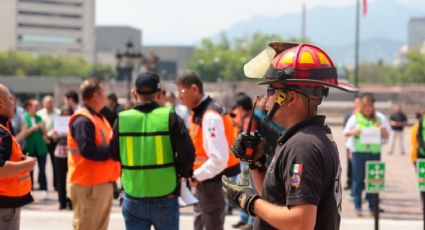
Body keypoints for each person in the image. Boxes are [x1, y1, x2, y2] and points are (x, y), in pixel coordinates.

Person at [222, 42, 359, 230]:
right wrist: (256, 163)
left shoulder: (303, 146)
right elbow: (276, 199)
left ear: (290, 98)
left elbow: (301, 223)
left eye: (271, 90)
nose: (265, 98)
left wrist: (249, 201)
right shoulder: (308, 137)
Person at [110, 72, 195, 230]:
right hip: (166, 193)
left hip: (133, 192)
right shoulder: (170, 116)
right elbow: (187, 153)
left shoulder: (122, 119)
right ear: (160, 93)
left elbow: (114, 153)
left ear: (134, 94)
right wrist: (180, 174)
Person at [175, 70, 240, 230]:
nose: (179, 96)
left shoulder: (210, 115)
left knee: (211, 223)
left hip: (211, 181)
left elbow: (219, 159)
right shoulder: (199, 112)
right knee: (201, 221)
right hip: (206, 179)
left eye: (181, 90)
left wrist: (196, 176)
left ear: (194, 89)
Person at [67, 79, 120, 230]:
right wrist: (115, 152)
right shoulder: (83, 120)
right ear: (96, 95)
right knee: (86, 226)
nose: (105, 96)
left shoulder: (97, 118)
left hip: (99, 184)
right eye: (103, 93)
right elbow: (87, 150)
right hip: (89, 185)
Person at [344, 93, 390, 217]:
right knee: (358, 180)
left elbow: (386, 137)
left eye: (370, 105)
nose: (368, 108)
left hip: (374, 154)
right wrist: (355, 131)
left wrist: (383, 130)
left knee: (374, 181)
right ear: (362, 106)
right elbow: (346, 133)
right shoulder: (355, 118)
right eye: (366, 105)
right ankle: (358, 207)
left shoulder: (380, 119)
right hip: (358, 154)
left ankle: (372, 207)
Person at [0, 83, 36, 230]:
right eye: (10, 98)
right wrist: (28, 164)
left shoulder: (6, 127)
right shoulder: (1, 133)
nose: (13, 102)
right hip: (4, 206)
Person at [22, 99, 49, 200]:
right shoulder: (24, 118)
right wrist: (34, 128)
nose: (37, 108)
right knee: (29, 170)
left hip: (41, 147)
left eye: (38, 106)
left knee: (42, 169)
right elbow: (24, 133)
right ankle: (29, 189)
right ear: (29, 107)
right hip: (29, 147)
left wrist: (43, 129)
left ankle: (44, 190)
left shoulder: (40, 118)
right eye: (35, 106)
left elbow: (45, 134)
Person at [37, 95, 61, 191]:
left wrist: (49, 135)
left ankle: (56, 184)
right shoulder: (39, 114)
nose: (49, 104)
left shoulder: (58, 113)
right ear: (44, 104)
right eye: (47, 102)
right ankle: (41, 183)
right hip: (42, 140)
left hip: (54, 140)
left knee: (55, 163)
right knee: (41, 164)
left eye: (51, 102)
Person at [54, 106, 74, 210]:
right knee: (60, 178)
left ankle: (71, 202)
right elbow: (54, 139)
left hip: (71, 153)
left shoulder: (75, 123)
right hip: (60, 152)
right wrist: (55, 135)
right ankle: (62, 202)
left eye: (68, 113)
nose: (66, 115)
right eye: (64, 113)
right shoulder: (58, 123)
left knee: (71, 178)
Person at [342, 96, 361, 190]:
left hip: (361, 144)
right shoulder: (349, 114)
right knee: (350, 164)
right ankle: (349, 182)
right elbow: (345, 128)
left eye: (360, 102)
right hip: (350, 142)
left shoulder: (365, 114)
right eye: (356, 102)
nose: (358, 104)